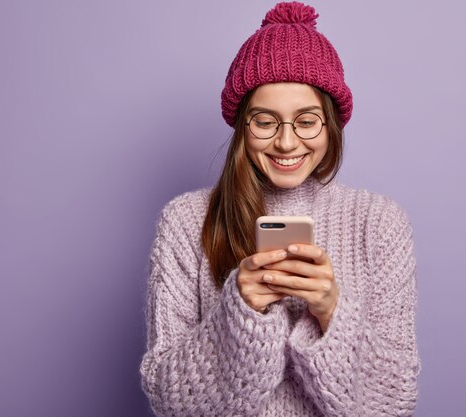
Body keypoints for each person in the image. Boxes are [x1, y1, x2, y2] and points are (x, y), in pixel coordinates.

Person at [139, 2, 420, 416]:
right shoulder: (186, 221)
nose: (286, 143)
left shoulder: (378, 223)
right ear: (241, 125)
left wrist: (331, 312)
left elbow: (394, 405)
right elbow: (171, 401)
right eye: (265, 121)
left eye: (306, 121)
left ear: (331, 124)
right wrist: (241, 312)